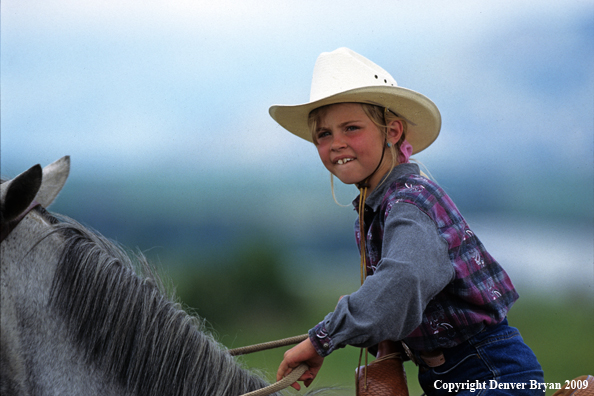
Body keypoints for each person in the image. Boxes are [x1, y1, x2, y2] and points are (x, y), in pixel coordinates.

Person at [269, 48, 544, 395]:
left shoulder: (409, 202)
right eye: (323, 134)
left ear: (393, 132)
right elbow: (402, 300)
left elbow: (403, 280)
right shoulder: (379, 207)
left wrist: (323, 338)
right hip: (452, 376)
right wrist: (361, 315)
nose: (336, 144)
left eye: (351, 128)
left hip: (489, 372)